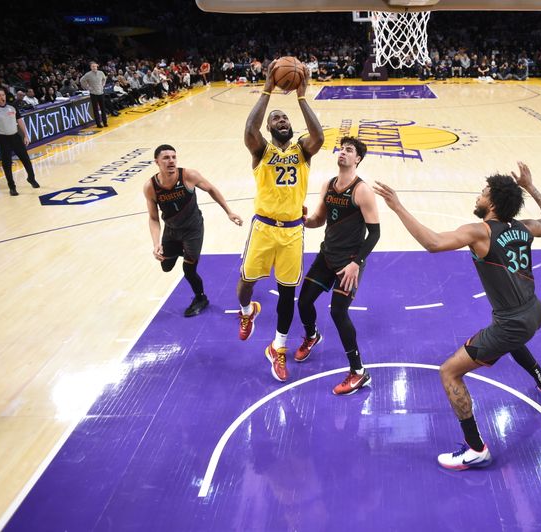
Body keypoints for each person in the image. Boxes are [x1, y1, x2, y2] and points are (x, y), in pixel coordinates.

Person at [373, 162, 541, 470]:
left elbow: (433, 243)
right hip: (534, 312)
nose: (479, 196)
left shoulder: (480, 231)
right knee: (506, 334)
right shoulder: (524, 227)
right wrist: (529, 186)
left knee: (449, 372)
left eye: (484, 192)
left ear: (494, 202)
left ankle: (476, 448)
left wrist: (398, 207)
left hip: (513, 323)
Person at [237, 62, 324, 383]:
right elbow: (249, 130)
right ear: (270, 127)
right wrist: (267, 89)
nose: (282, 120)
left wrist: (302, 98)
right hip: (262, 228)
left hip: (292, 233)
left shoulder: (303, 149)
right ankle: (247, 312)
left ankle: (279, 347)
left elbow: (319, 135)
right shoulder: (261, 149)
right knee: (247, 284)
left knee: (288, 294)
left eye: (284, 117)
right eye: (276, 118)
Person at [295, 136, 380, 395]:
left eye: (349, 150)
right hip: (327, 255)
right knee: (304, 301)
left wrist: (356, 263)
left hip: (349, 262)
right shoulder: (328, 185)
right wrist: (303, 219)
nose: (343, 152)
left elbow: (374, 234)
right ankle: (312, 336)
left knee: (338, 312)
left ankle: (358, 371)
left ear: (358, 159)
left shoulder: (362, 190)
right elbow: (320, 219)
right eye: (341, 149)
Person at [144, 144, 242, 317]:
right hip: (171, 231)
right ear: (157, 162)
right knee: (166, 266)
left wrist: (229, 211)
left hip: (192, 230)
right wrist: (156, 243)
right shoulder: (151, 187)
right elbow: (153, 218)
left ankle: (201, 298)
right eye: (166, 158)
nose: (171, 161)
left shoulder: (188, 175)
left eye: (174, 157)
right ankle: (185, 253)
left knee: (188, 269)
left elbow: (211, 189)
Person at [0, 87, 39, 196]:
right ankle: (12, 187)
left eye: (3, 95)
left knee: (26, 159)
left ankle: (31, 178)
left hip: (15, 137)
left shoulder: (12, 106)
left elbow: (20, 120)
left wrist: (26, 135)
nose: (2, 97)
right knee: (7, 164)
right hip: (3, 139)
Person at [80, 62, 108, 128]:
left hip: (101, 92)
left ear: (97, 67)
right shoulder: (88, 74)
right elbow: (82, 80)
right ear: (90, 67)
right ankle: (98, 123)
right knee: (95, 109)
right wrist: (87, 87)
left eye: (95, 66)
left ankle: (105, 122)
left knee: (103, 108)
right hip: (93, 94)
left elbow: (104, 79)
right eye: (93, 66)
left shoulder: (101, 73)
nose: (94, 67)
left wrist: (103, 85)